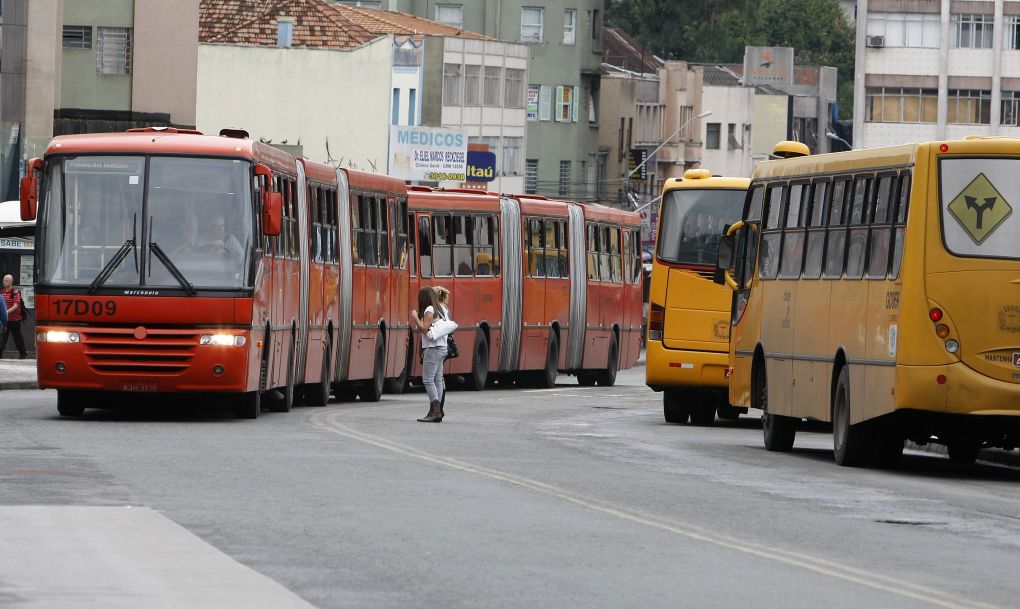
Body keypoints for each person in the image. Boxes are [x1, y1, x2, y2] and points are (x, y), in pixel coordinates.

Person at [410, 286, 449, 423]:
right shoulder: (442, 309)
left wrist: (415, 317)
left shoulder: (429, 309)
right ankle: (437, 411)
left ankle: (435, 410)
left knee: (427, 379)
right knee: (438, 379)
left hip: (433, 348)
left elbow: (424, 329)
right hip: (443, 347)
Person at [0, 275, 27, 359]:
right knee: (3, 337)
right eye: (4, 280)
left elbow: (16, 306)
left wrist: (5, 312)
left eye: (7, 281)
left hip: (15, 320)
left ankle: (23, 353)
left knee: (17, 337)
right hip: (5, 320)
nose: (5, 282)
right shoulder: (2, 292)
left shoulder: (15, 292)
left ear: (11, 282)